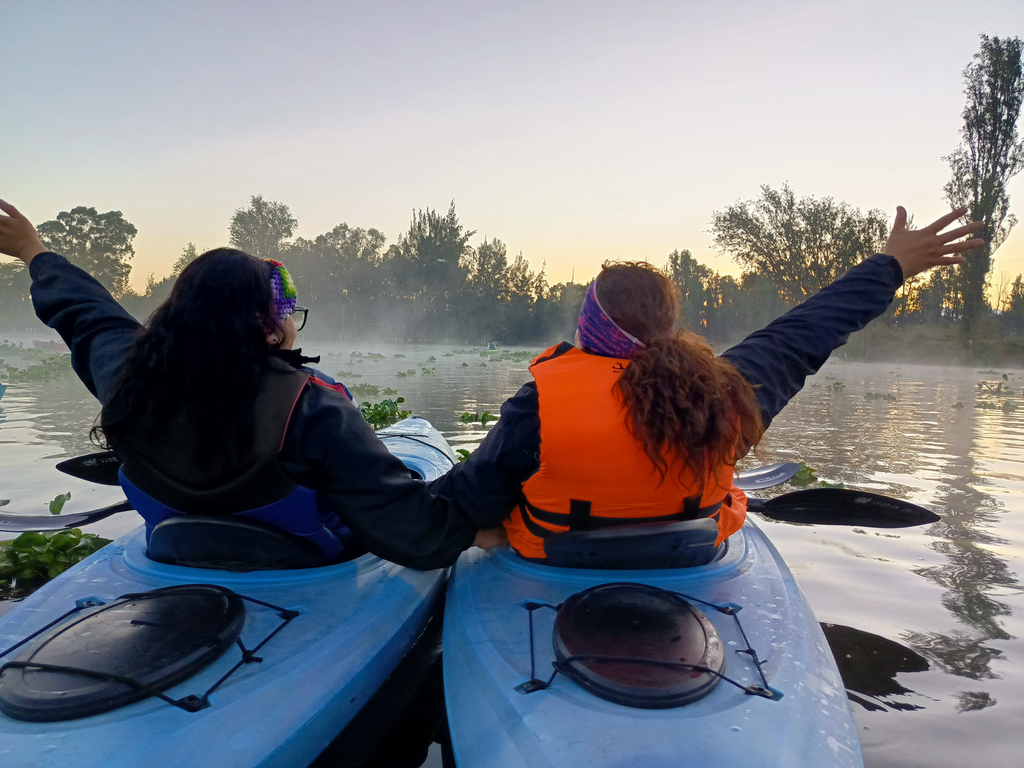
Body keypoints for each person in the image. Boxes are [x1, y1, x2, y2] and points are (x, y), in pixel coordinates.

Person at [436, 206, 985, 560]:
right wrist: (892, 264)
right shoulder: (724, 392)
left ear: (588, 327)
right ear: (671, 327)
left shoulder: (540, 404)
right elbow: (807, 331)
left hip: (559, 556)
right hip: (690, 553)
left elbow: (473, 501)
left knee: (488, 527)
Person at [0, 200, 500, 569]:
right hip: (306, 565)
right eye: (289, 316)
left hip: (178, 552)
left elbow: (88, 315)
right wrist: (476, 525)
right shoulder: (314, 405)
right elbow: (413, 536)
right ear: (267, 326)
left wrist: (33, 251)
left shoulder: (130, 377)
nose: (293, 327)